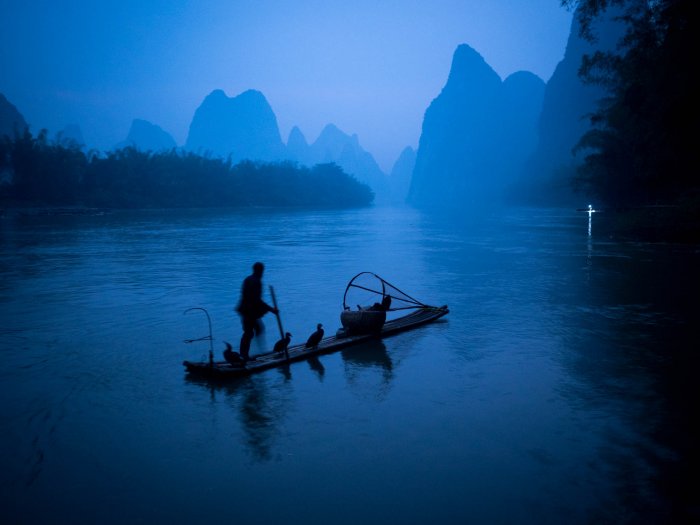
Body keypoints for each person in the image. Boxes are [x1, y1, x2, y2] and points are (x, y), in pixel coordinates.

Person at [236, 262, 277, 361]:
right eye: (262, 271)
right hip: (249, 312)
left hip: (245, 310)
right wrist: (271, 309)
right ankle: (246, 355)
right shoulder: (256, 281)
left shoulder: (248, 279)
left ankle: (246, 354)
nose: (263, 273)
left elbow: (248, 297)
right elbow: (256, 300)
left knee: (253, 331)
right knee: (251, 332)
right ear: (259, 270)